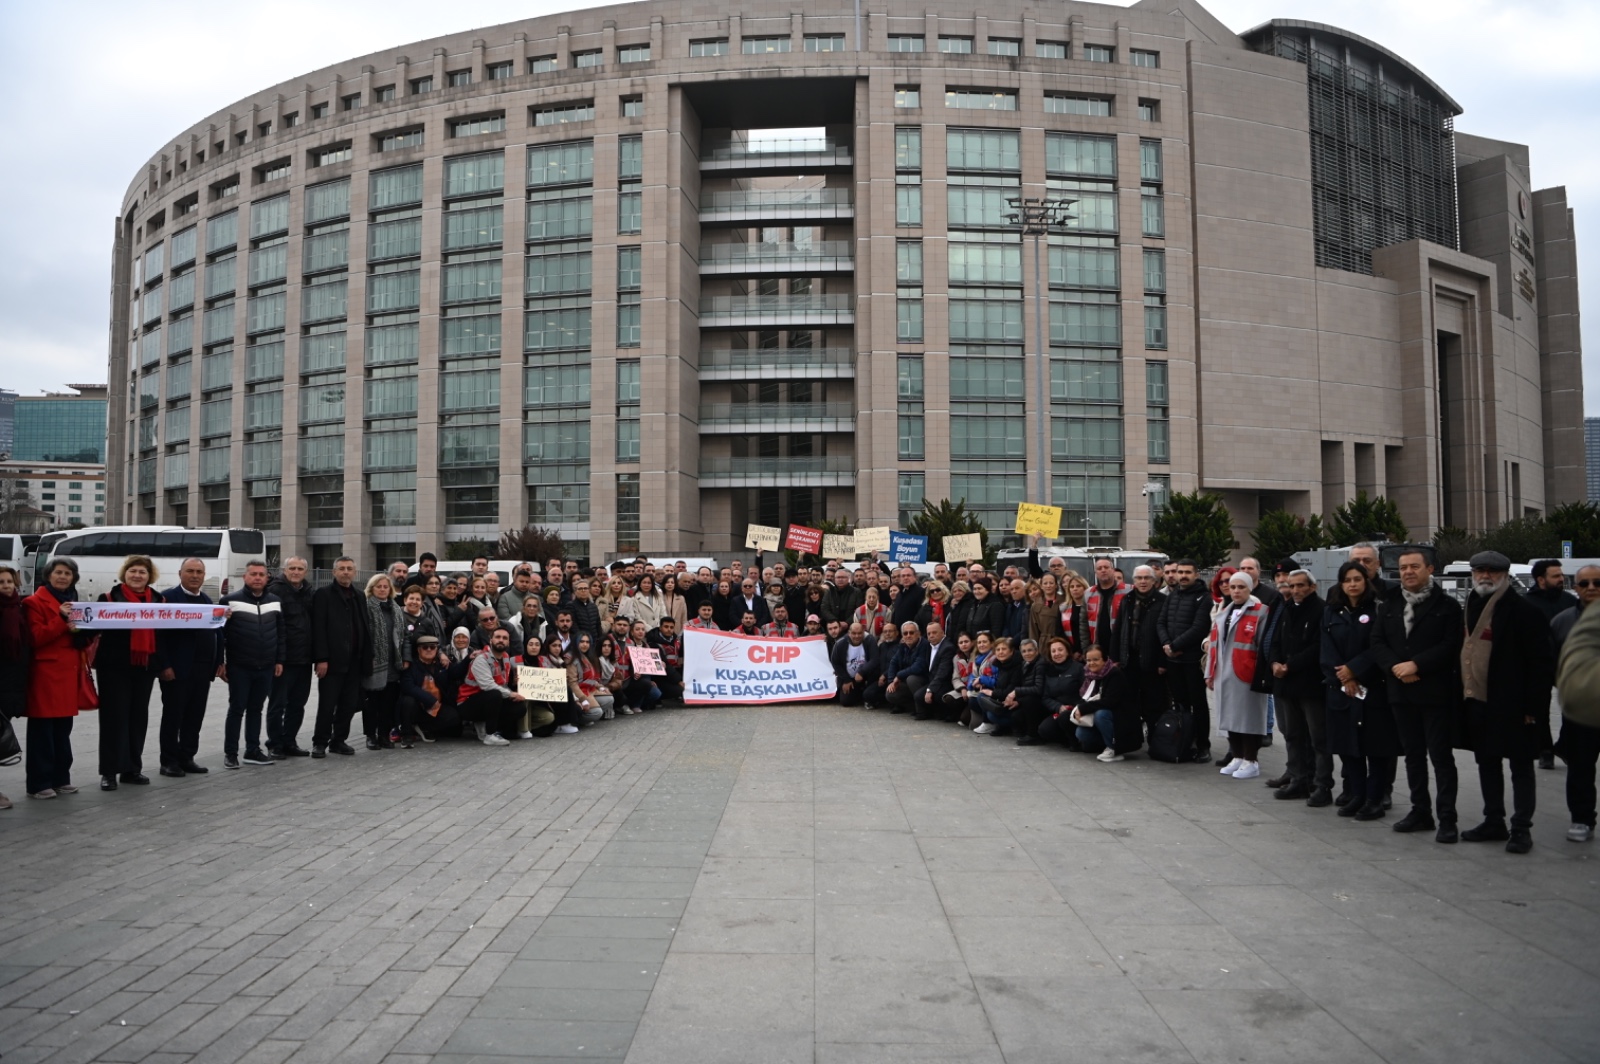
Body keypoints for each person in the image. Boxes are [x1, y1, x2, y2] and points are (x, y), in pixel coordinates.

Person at [1459, 551, 1556, 854]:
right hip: (1479, 702)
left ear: (1504, 574)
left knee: (1521, 767)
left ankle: (1521, 828)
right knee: (1487, 763)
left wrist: (1533, 709)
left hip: (1514, 706)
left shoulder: (1523, 611)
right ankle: (1493, 820)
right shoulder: (1471, 605)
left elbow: (1541, 665)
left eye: (1492, 571)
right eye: (1480, 571)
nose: (1485, 576)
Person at [1370, 550, 1464, 840]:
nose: (1408, 572)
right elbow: (1377, 641)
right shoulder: (1389, 604)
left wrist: (1417, 664)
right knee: (1412, 755)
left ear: (1430, 569)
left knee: (1440, 757)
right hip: (1400, 690)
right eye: (1403, 568)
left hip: (1434, 692)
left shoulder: (1447, 606)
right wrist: (1395, 668)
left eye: (1414, 566)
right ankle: (1420, 811)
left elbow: (1451, 644)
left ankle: (1447, 817)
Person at [1321, 561, 1400, 821]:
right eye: (1347, 580)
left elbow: (1380, 646)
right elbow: (1327, 647)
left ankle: (1374, 799)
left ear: (1366, 581)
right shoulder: (1332, 612)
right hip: (1343, 690)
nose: (1352, 584)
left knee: (1375, 748)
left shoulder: (1379, 609)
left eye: (1357, 579)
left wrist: (1355, 670)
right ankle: (1356, 794)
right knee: (1348, 747)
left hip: (1373, 688)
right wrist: (1343, 677)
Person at [25, 557, 93, 799]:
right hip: (46, 675)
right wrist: (61, 619)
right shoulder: (34, 602)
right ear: (49, 575)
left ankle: (60, 778)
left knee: (63, 730)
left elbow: (80, 639)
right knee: (42, 731)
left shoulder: (74, 603)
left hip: (68, 675)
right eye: (59, 573)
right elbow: (36, 638)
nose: (63, 577)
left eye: (68, 574)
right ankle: (38, 782)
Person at [93, 555, 162, 790]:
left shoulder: (158, 600)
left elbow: (166, 633)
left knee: (137, 718)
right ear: (125, 573)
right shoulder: (109, 598)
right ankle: (109, 772)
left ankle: (132, 769)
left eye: (142, 572)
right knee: (114, 719)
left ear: (149, 576)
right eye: (133, 571)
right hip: (114, 668)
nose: (137, 576)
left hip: (144, 667)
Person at [1269, 569, 1333, 805]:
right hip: (1286, 684)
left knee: (1318, 738)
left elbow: (1318, 646)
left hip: (1310, 684)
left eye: (1300, 586)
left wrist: (1289, 665)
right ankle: (1298, 780)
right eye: (1291, 585)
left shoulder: (1321, 610)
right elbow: (1274, 640)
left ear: (1312, 587)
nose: (1295, 590)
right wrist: (1274, 662)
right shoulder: (1287, 608)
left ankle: (1322, 784)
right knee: (1293, 735)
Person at [219, 561, 284, 770]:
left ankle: (252, 750)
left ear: (267, 578)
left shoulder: (275, 601)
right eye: (253, 574)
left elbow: (281, 634)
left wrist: (279, 660)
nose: (257, 578)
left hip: (265, 666)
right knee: (237, 709)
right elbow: (220, 635)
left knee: (256, 709)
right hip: (239, 666)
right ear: (245, 577)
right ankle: (230, 753)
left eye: (261, 575)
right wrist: (222, 662)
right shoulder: (229, 601)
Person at [1552, 565, 1600, 842]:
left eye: (1597, 582)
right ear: (1575, 587)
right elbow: (1552, 662)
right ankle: (1582, 818)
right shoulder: (1563, 622)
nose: (1591, 587)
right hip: (1580, 711)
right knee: (1581, 767)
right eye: (1585, 584)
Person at [1209, 572, 1272, 780]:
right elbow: (1214, 644)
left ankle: (1251, 760)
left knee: (1248, 717)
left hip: (1246, 671)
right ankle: (1237, 755)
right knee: (1229, 716)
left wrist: (1261, 673)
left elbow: (1265, 646)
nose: (1236, 591)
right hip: (1223, 671)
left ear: (1249, 589)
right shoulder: (1224, 611)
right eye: (1233, 587)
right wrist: (1210, 671)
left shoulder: (1261, 611)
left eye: (1241, 587)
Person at [310, 557, 372, 759]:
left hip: (355, 660)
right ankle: (320, 742)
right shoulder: (323, 594)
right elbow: (318, 628)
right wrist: (321, 658)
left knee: (348, 704)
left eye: (349, 569)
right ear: (334, 572)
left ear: (354, 572)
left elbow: (364, 626)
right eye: (342, 569)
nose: (346, 572)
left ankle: (339, 740)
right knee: (327, 704)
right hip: (332, 661)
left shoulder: (359, 595)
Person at [1158, 559, 1214, 764]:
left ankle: (1203, 746)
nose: (1182, 576)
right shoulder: (1172, 596)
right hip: (1173, 661)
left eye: (1187, 572)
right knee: (1180, 704)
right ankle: (1184, 740)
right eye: (1180, 572)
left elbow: (1199, 628)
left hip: (1191, 661)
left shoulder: (1204, 598)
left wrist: (1174, 646)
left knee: (1198, 704)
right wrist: (1166, 644)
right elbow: (1161, 622)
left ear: (1196, 574)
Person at [265, 557, 315, 759]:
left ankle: (289, 741)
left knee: (297, 704)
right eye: (292, 568)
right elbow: (274, 627)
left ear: (306, 571)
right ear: (284, 570)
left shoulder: (308, 592)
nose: (296, 572)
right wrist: (278, 658)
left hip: (304, 659)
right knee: (278, 704)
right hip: (283, 661)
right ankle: (275, 743)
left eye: (300, 569)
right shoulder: (275, 591)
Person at [1113, 565, 1167, 738]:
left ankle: (1154, 738)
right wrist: (1115, 657)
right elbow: (1119, 627)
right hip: (1129, 659)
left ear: (1154, 581)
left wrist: (1162, 661)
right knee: (1130, 702)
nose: (1143, 582)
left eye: (1147, 578)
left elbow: (1166, 632)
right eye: (1139, 578)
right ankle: (1133, 739)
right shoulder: (1127, 599)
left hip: (1152, 660)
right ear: (1134, 581)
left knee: (1153, 704)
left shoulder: (1162, 601)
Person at [458, 627, 536, 745]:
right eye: (498, 637)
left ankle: (491, 726)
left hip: (489, 700)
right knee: (495, 695)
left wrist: (513, 686)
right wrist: (511, 694)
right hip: (468, 702)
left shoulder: (505, 658)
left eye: (505, 638)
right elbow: (488, 686)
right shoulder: (481, 659)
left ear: (509, 642)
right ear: (491, 640)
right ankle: (490, 734)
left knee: (519, 708)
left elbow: (502, 684)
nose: (501, 640)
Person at [1066, 644, 1134, 760]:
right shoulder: (1090, 675)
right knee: (1081, 733)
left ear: (1105, 659)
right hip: (1101, 714)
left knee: (1101, 715)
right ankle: (1106, 744)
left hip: (1120, 718)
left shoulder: (1114, 674)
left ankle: (1114, 748)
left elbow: (1109, 701)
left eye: (1096, 659)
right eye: (1088, 660)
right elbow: (1085, 697)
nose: (1092, 663)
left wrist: (1083, 708)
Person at [362, 573, 406, 751]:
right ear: (371, 589)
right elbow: (364, 635)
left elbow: (403, 635)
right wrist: (368, 657)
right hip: (375, 662)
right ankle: (371, 736)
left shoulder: (395, 608)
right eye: (378, 586)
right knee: (372, 702)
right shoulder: (366, 607)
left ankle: (384, 735)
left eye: (385, 587)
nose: (382, 589)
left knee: (388, 702)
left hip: (392, 662)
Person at [1032, 638, 1087, 749]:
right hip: (1059, 709)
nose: (1057, 653)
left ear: (1067, 651)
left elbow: (1086, 693)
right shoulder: (1048, 670)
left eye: (1060, 650)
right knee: (1044, 730)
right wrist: (1058, 707)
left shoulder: (1078, 668)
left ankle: (1075, 742)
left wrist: (1076, 707)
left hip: (1077, 709)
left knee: (1065, 718)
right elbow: (1045, 697)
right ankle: (1065, 740)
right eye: (1053, 651)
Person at [398, 635, 451, 745]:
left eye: (432, 647)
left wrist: (468, 659)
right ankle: (407, 734)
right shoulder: (412, 665)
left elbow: (454, 674)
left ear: (437, 650)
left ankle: (424, 727)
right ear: (418, 650)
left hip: (436, 706)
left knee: (453, 717)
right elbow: (408, 686)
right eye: (425, 647)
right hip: (420, 705)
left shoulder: (441, 664)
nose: (428, 650)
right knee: (408, 701)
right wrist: (430, 700)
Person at [971, 636, 1022, 735]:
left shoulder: (1017, 667)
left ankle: (1005, 726)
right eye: (998, 649)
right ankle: (998, 726)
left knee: (991, 714)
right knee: (979, 697)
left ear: (1011, 651)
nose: (1000, 652)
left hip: (1014, 704)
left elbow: (1009, 691)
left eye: (1004, 649)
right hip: (1002, 700)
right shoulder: (999, 664)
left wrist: (991, 692)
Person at [831, 621, 880, 707]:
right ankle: (859, 694)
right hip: (849, 676)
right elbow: (835, 663)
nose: (857, 636)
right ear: (849, 633)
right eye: (854, 633)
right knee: (846, 702)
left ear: (863, 631)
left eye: (859, 633)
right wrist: (846, 680)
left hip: (866, 674)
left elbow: (875, 659)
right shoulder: (840, 643)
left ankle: (868, 694)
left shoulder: (870, 639)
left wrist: (862, 672)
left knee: (875, 673)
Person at [1084, 557, 1128, 652]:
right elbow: (1083, 624)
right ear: (1096, 573)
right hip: (1097, 648)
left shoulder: (1128, 590)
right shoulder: (1088, 593)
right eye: (1099, 568)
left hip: (1120, 647)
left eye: (1106, 567)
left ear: (1113, 570)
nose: (1103, 570)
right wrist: (1086, 649)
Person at [565, 634, 609, 725]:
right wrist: (582, 699)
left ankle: (586, 716)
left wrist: (600, 687)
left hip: (588, 689)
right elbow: (572, 683)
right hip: (578, 692)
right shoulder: (570, 658)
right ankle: (573, 721)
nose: (585, 644)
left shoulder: (584, 656)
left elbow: (590, 679)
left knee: (609, 699)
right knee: (597, 713)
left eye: (587, 642)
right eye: (582, 642)